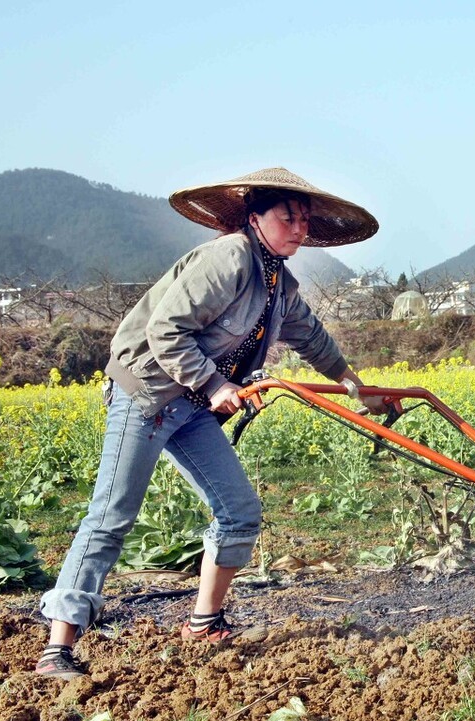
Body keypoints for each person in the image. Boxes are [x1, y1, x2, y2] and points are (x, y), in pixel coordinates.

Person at [35, 167, 384, 679]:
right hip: (147, 395)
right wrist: (218, 385)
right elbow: (166, 329)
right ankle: (57, 648)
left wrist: (357, 386)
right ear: (254, 218)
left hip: (193, 405)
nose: (299, 229)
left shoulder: (278, 282)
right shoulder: (229, 258)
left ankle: (205, 621)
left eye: (304, 220)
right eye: (287, 217)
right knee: (111, 516)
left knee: (239, 510)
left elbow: (310, 336)